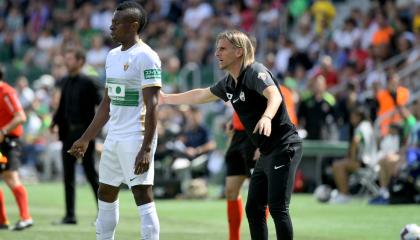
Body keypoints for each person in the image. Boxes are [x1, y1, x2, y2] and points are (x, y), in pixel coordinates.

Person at [160, 30, 302, 240]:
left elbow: (274, 96)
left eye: (222, 48)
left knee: (278, 209)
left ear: (238, 52)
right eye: (217, 48)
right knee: (254, 208)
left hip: (284, 146)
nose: (217, 53)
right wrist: (165, 99)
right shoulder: (229, 83)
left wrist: (266, 117)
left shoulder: (255, 71)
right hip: (267, 151)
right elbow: (201, 94)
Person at [68, 2, 161, 239]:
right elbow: (107, 104)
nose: (111, 27)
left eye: (117, 23)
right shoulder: (111, 56)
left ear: (134, 25)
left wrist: (147, 148)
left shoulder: (147, 57)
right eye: (112, 22)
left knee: (142, 194)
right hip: (114, 137)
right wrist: (86, 138)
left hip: (136, 137)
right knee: (106, 192)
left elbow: (152, 105)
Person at [50, 48, 101, 224]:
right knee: (68, 176)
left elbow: (101, 107)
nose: (67, 62)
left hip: (84, 134)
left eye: (70, 59)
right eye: (67, 58)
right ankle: (70, 215)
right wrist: (54, 122)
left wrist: (93, 134)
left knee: (90, 174)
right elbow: (62, 106)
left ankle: (103, 215)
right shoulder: (64, 81)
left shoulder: (89, 82)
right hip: (67, 133)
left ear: (80, 61)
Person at [0, 67, 33, 230]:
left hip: (8, 141)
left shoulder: (7, 92)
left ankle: (26, 217)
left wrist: (3, 131)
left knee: (11, 177)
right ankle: (2, 221)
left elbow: (21, 116)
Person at [330, 107, 377, 204]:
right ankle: (342, 193)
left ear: (359, 117)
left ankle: (344, 195)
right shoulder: (368, 125)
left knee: (337, 165)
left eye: (353, 116)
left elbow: (356, 141)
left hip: (366, 162)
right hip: (372, 160)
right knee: (341, 164)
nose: (351, 119)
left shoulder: (361, 127)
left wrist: (352, 157)